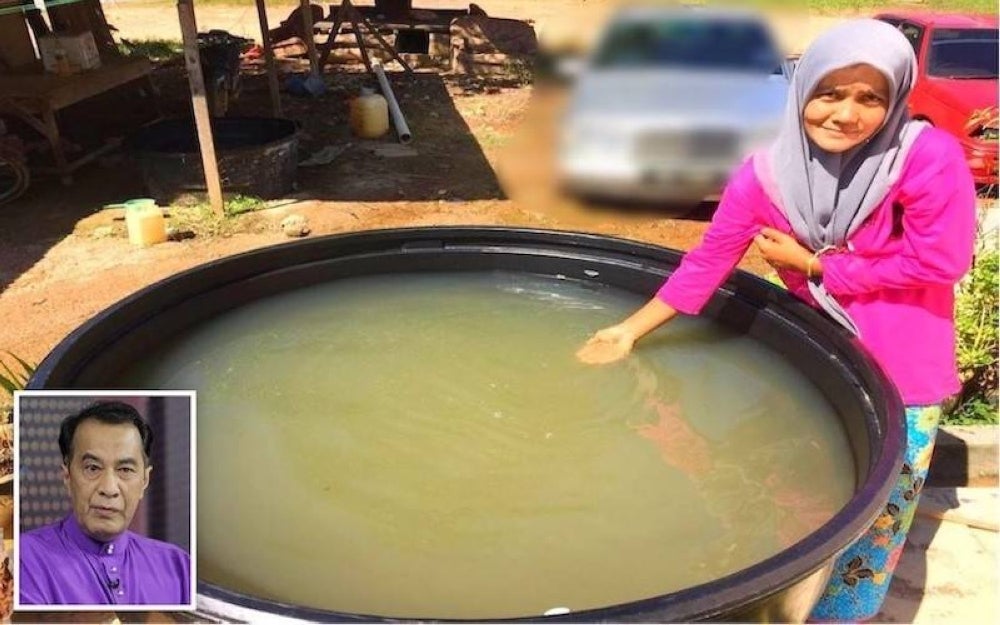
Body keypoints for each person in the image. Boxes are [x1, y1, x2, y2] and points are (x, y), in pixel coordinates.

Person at [576, 18, 976, 623]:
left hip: (903, 367)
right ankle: (791, 598)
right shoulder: (766, 177)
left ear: (896, 99)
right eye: (830, 92)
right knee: (802, 495)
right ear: (803, 88)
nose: (846, 114)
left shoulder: (926, 158)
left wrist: (817, 265)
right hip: (821, 356)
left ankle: (845, 615)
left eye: (871, 97)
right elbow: (708, 262)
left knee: (880, 514)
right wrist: (628, 330)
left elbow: (942, 259)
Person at [19, 401, 190, 606]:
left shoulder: (179, 567)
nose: (109, 488)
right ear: (67, 476)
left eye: (125, 470)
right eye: (92, 468)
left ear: (144, 481)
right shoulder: (23, 559)